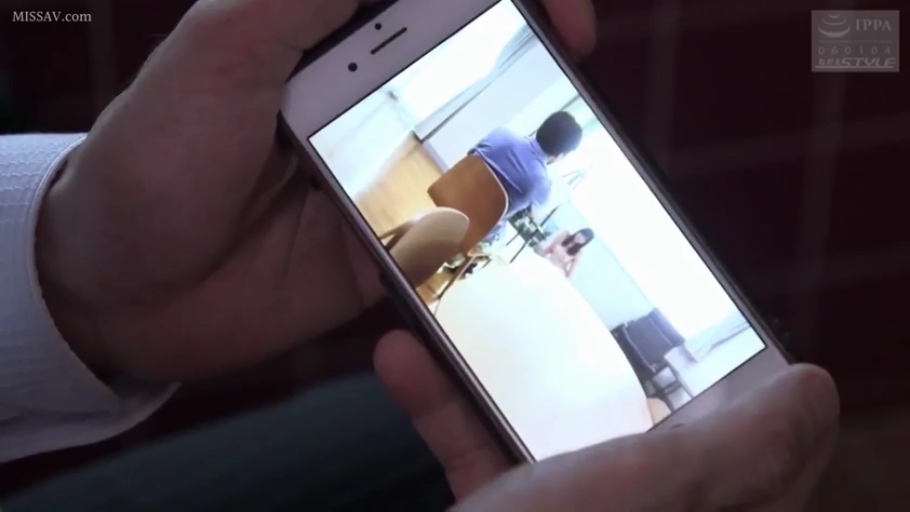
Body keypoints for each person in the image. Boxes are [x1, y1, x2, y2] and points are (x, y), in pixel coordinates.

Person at [0, 0, 838, 510]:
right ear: (563, 147)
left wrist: (80, 276)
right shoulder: (542, 186)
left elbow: (476, 165)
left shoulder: (505, 136)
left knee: (413, 324)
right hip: (468, 230)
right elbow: (510, 223)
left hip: (446, 194)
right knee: (421, 388)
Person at [470, 111, 584, 250]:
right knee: (501, 245)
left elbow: (470, 157)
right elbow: (534, 215)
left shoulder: (500, 133)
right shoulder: (541, 183)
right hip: (477, 232)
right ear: (561, 154)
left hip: (452, 195)